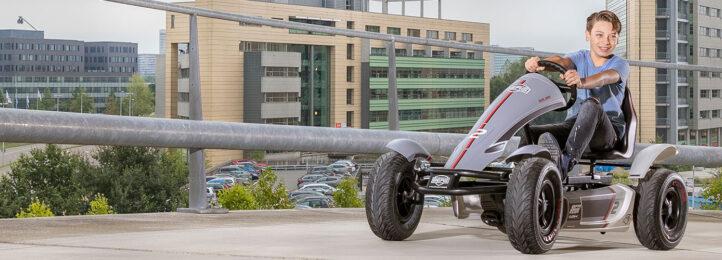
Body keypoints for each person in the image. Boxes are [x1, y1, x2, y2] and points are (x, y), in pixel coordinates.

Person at [523, 10, 630, 179]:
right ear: (588, 35)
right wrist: (540, 64)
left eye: (612, 36)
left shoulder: (620, 64)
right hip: (575, 126)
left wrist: (582, 81)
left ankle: (564, 165)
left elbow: (605, 77)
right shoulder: (579, 57)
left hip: (606, 134)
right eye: (599, 35)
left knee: (591, 104)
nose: (606, 42)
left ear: (617, 38)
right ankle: (515, 181)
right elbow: (561, 61)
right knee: (530, 134)